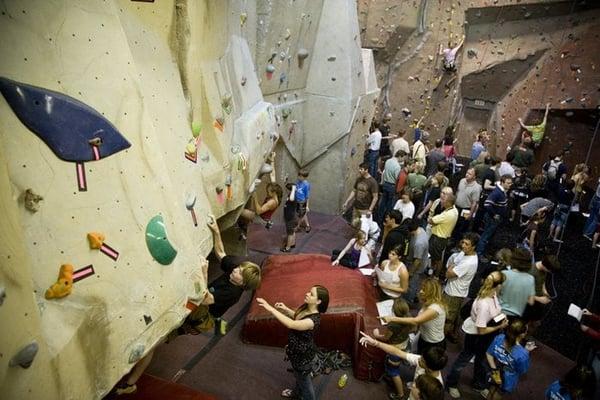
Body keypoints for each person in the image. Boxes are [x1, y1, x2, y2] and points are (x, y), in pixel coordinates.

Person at [113, 217, 262, 395]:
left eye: (239, 272)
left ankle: (130, 384)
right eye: (238, 268)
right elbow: (221, 254)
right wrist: (216, 230)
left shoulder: (232, 293)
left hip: (199, 318)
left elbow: (205, 298)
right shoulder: (235, 270)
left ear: (242, 283)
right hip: (200, 303)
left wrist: (204, 272)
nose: (235, 269)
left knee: (155, 341)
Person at [256, 285, 329, 400]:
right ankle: (296, 393)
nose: (307, 294)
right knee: (299, 376)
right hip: (296, 351)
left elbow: (291, 324)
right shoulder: (307, 308)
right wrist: (285, 309)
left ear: (319, 301)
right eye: (309, 292)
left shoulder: (312, 321)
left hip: (303, 357)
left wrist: (270, 308)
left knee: (304, 382)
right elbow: (297, 317)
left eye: (311, 294)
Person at [446, 271, 509, 398]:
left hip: (486, 336)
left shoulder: (493, 294)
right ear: (498, 285)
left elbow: (494, 311)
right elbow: (481, 330)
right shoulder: (484, 304)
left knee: (481, 361)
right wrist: (499, 326)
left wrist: (500, 317)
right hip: (476, 336)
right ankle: (451, 384)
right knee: (463, 361)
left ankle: (478, 385)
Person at [359, 332, 448, 393]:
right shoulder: (423, 361)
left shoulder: (433, 388)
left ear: (428, 368)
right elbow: (397, 352)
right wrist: (375, 343)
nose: (418, 359)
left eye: (422, 360)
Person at [382, 278, 447, 353]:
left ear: (432, 292)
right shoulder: (428, 302)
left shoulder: (435, 308)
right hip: (423, 338)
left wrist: (391, 319)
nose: (421, 291)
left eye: (424, 289)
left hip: (433, 344)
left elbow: (415, 321)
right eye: (422, 288)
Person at [371, 298, 413, 399]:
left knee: (394, 372)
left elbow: (386, 338)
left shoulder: (393, 325)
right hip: (405, 344)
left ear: (394, 311)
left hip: (395, 350)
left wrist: (376, 335)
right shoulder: (409, 317)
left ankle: (400, 394)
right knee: (397, 366)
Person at [442, 233, 480, 342]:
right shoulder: (464, 253)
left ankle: (441, 340)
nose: (463, 246)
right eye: (463, 242)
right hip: (452, 290)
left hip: (454, 294)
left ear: (473, 247)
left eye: (467, 244)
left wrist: (451, 267)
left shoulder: (469, 263)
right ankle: (450, 334)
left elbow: (448, 274)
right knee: (451, 317)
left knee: (447, 319)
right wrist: (451, 267)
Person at [485, 319, 531, 399]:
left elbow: (489, 353)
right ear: (522, 335)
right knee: (499, 394)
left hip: (494, 372)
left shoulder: (499, 338)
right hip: (507, 379)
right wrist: (526, 351)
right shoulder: (523, 354)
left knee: (492, 389)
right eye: (526, 331)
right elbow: (522, 370)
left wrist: (494, 370)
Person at [477, 175, 512, 257]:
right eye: (508, 183)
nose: (510, 185)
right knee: (485, 236)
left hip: (495, 218)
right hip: (492, 218)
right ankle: (479, 254)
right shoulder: (497, 192)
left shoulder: (502, 191)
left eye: (511, 183)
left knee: (488, 236)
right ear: (502, 183)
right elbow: (487, 204)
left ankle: (484, 252)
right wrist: (494, 214)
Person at [428, 193, 458, 277]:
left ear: (448, 203)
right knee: (434, 257)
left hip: (438, 238)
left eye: (443, 200)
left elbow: (431, 221)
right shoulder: (454, 210)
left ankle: (436, 276)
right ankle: (432, 271)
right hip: (441, 237)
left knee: (437, 259)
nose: (441, 201)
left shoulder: (447, 214)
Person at [499, 248, 535, 319]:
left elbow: (495, 294)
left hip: (500, 312)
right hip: (516, 316)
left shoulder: (504, 274)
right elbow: (531, 302)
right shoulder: (531, 279)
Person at [453, 167, 482, 240]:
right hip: (456, 207)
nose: (467, 175)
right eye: (467, 173)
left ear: (474, 176)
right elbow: (457, 192)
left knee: (462, 227)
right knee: (454, 224)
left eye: (470, 174)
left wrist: (470, 214)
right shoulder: (462, 181)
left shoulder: (476, 188)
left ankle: (457, 243)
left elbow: (474, 203)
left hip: (466, 209)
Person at [407, 220, 431, 303]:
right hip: (419, 261)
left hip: (417, 267)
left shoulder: (419, 243)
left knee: (412, 284)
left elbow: (417, 261)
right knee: (414, 283)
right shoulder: (421, 229)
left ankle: (409, 300)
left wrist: (411, 272)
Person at [378, 150, 403, 223]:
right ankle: (386, 219)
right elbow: (396, 178)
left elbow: (384, 171)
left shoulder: (388, 161)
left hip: (385, 184)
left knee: (383, 202)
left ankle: (379, 218)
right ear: (400, 156)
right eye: (403, 158)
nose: (402, 160)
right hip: (392, 186)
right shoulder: (397, 166)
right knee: (390, 204)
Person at [281, 183, 298, 252]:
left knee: (290, 233)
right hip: (289, 217)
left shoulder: (293, 197)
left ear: (290, 190)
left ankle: (288, 247)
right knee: (292, 231)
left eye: (287, 190)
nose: (285, 191)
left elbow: (291, 198)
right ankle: (292, 243)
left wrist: (293, 189)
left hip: (291, 218)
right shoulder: (290, 195)